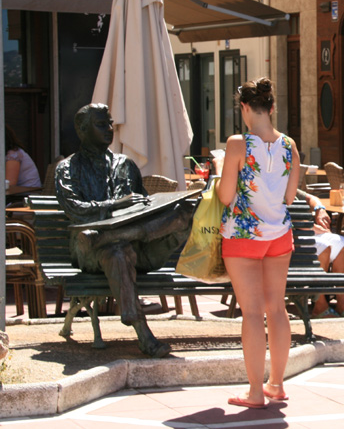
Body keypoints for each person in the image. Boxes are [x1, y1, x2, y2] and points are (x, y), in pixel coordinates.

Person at [55, 103, 193, 358]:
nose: (109, 129)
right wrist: (115, 205)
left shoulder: (125, 164)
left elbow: (142, 213)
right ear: (82, 130)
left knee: (185, 214)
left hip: (136, 246)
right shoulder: (67, 168)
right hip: (91, 250)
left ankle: (115, 236)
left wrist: (150, 205)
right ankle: (143, 332)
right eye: (101, 124)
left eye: (110, 123)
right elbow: (75, 209)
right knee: (116, 253)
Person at [213, 77, 301, 409]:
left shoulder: (238, 143)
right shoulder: (290, 145)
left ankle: (253, 393)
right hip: (279, 235)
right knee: (276, 309)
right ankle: (276, 385)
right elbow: (290, 196)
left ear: (245, 108)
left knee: (251, 314)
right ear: (272, 107)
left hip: (243, 236)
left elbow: (225, 195)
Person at [296, 188, 344, 318]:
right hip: (291, 237)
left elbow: (310, 198)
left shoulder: (285, 180)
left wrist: (320, 209)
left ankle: (342, 306)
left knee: (342, 243)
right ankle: (320, 306)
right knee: (324, 246)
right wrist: (309, 226)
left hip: (307, 232)